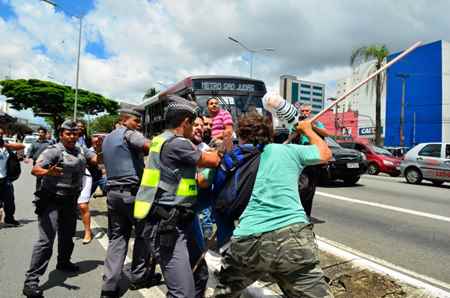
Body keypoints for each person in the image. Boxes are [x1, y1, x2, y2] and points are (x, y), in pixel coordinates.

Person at [214, 112, 334, 298]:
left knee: (225, 294)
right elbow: (325, 154)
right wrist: (308, 130)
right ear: (270, 133)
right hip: (293, 240)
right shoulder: (288, 151)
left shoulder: (235, 158)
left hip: (247, 242)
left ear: (241, 135)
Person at [133, 95, 221, 298]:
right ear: (186, 122)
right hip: (167, 224)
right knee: (182, 292)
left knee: (199, 275)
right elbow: (213, 160)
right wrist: (223, 144)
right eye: (194, 124)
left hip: (179, 218)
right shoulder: (178, 143)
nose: (198, 128)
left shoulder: (160, 139)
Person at [23, 120, 97, 298]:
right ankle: (31, 281)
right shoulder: (53, 150)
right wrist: (48, 172)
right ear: (61, 134)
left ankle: (63, 263)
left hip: (70, 200)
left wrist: (100, 149)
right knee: (46, 241)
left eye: (75, 133)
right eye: (68, 133)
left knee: (67, 235)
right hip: (51, 200)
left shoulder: (80, 150)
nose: (72, 136)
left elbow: (94, 160)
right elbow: (35, 169)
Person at [100, 109, 160, 298]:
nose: (139, 124)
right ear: (125, 120)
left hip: (113, 195)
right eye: (136, 120)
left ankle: (109, 287)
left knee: (117, 238)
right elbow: (149, 146)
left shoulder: (108, 138)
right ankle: (139, 276)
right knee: (143, 235)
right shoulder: (129, 133)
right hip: (132, 195)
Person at [295, 104, 330, 217]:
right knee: (302, 186)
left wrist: (312, 126)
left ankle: (306, 214)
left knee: (311, 187)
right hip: (302, 158)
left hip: (314, 157)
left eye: (307, 111)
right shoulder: (297, 122)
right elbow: (292, 134)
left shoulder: (315, 122)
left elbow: (325, 133)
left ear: (310, 112)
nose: (305, 113)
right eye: (303, 111)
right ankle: (297, 212)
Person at [0, 126, 25, 227]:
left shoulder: (5, 147)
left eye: (1, 134)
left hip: (5, 179)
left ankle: (9, 219)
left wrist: (5, 145)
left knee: (10, 200)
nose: (0, 135)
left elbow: (21, 146)